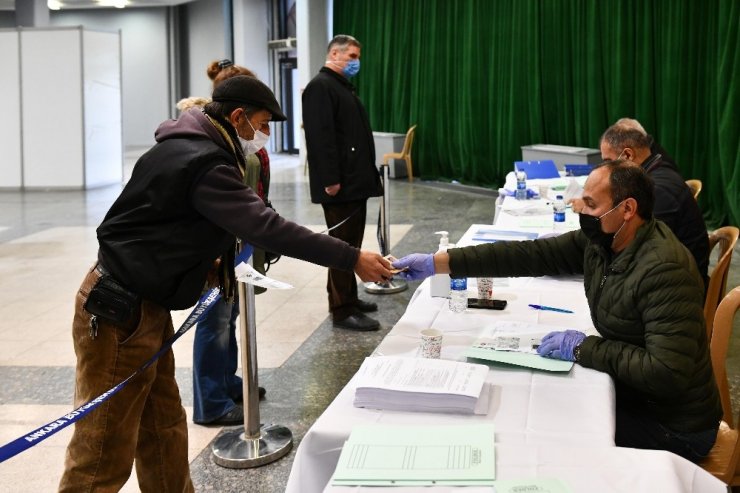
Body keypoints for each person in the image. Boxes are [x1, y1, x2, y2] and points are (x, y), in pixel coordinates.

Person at [59, 75, 392, 492]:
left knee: (163, 431)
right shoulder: (203, 160)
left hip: (147, 308)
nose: (265, 134)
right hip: (116, 312)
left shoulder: (201, 149)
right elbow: (264, 226)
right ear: (238, 117)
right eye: (263, 123)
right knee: (102, 452)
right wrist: (349, 257)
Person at [392, 161, 721, 463]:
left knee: (548, 437)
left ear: (627, 209)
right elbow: (529, 255)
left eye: (591, 204)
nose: (580, 208)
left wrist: (583, 348)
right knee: (540, 406)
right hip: (637, 396)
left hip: (674, 426)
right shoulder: (606, 241)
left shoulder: (664, 269)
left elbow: (666, 373)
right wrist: (438, 263)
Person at [179, 60, 273, 426]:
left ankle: (227, 381)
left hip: (243, 243)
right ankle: (211, 402)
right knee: (214, 321)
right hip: (222, 250)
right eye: (260, 119)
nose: (263, 128)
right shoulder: (214, 149)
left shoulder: (238, 140)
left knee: (231, 316)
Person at [302, 34, 384, 332]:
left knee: (352, 246)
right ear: (333, 53)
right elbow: (320, 138)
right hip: (340, 186)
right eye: (351, 56)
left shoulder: (339, 86)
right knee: (341, 248)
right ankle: (341, 310)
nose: (356, 61)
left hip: (353, 183)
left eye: (357, 56)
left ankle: (348, 298)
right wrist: (330, 180)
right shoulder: (320, 87)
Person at [570, 120, 709, 287]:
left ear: (628, 156)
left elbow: (633, 247)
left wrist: (589, 210)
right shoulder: (652, 172)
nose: (606, 169)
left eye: (608, 162)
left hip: (678, 288)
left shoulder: (659, 190)